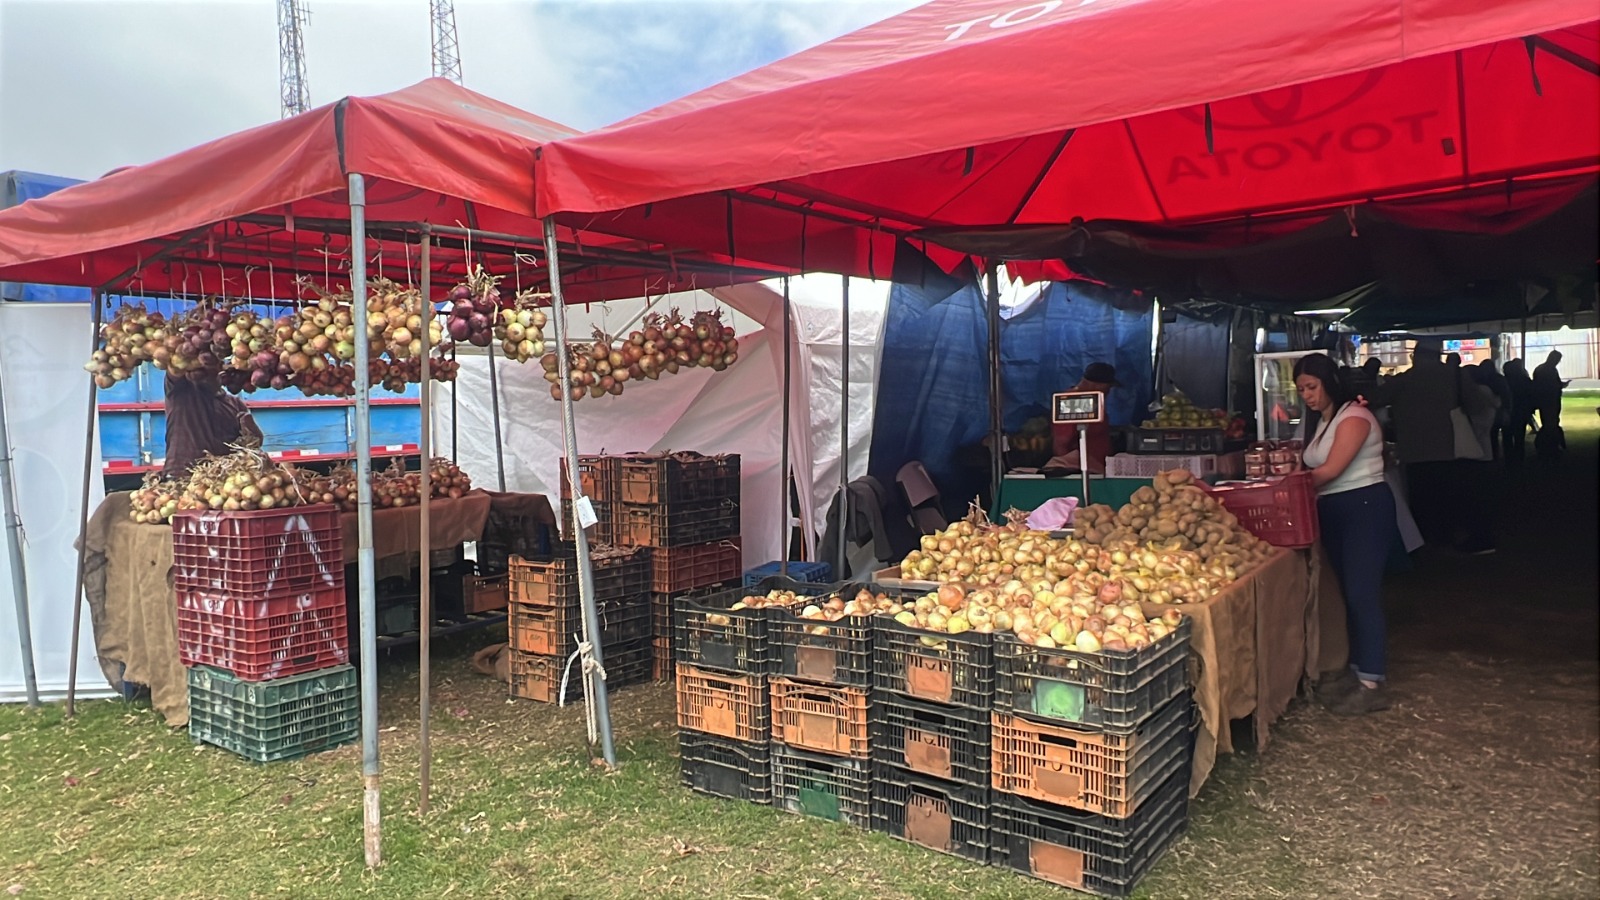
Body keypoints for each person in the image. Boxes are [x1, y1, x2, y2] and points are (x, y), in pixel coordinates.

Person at [1294, 353, 1395, 715]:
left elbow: (1331, 470)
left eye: (1311, 387)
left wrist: (1288, 486)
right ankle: (1358, 669)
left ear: (1330, 383)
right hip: (1334, 509)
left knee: (1361, 592)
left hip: (1363, 508)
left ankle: (1372, 682)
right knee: (1348, 593)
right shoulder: (1324, 421)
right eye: (1301, 390)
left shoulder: (1354, 417)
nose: (1306, 395)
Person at [1372, 340, 1456, 544]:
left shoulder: (1405, 380)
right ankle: (1447, 533)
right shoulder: (1455, 377)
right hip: (1450, 446)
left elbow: (1375, 398)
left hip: (1415, 449)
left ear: (1417, 356)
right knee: (1447, 494)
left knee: (1421, 497)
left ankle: (1424, 537)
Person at [160, 372, 263, 480]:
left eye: (215, 368)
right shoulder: (181, 391)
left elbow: (253, 443)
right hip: (181, 476)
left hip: (219, 479)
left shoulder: (235, 404)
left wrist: (250, 429)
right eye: (204, 369)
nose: (210, 371)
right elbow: (175, 370)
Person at [1049, 362, 1117, 474]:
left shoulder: (1093, 402)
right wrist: (1069, 471)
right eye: (1108, 387)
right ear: (1098, 385)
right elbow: (1062, 441)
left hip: (1098, 470)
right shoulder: (1072, 402)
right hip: (1085, 472)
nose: (1109, 392)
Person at [1474, 361, 1514, 460]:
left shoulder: (1481, 381)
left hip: (1487, 412)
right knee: (1506, 435)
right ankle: (1508, 458)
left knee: (1491, 436)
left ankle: (1494, 455)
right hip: (1500, 410)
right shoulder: (1499, 379)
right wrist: (1507, 410)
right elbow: (1506, 395)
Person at [1503, 358, 1535, 463]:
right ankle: (1519, 458)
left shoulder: (1505, 381)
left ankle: (1509, 459)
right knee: (1519, 437)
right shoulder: (1525, 380)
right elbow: (1531, 394)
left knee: (1507, 436)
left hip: (1509, 411)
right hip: (1521, 411)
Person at [1531, 350, 1571, 435]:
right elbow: (1555, 384)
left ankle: (1547, 437)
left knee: (1545, 419)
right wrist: (1562, 385)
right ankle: (1552, 437)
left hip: (1542, 399)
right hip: (1552, 399)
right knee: (1553, 420)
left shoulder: (1539, 368)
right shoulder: (1552, 370)